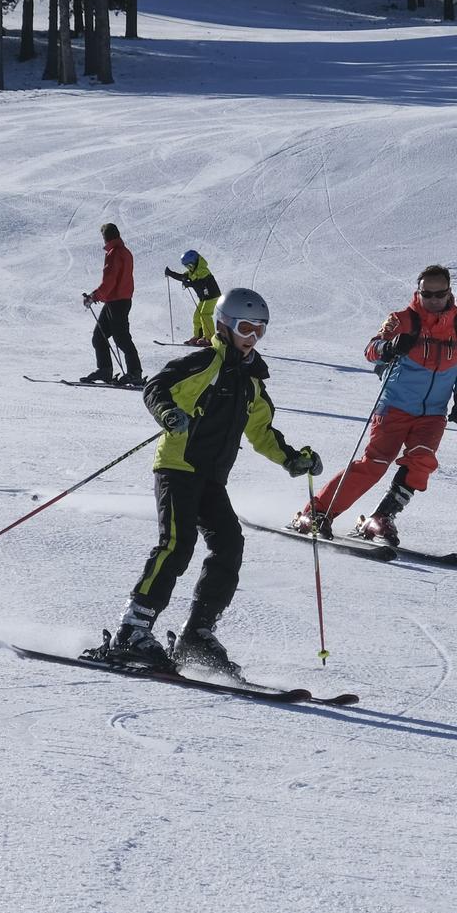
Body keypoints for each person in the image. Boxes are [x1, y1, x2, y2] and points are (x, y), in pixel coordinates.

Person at [89, 287, 325, 674]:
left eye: (260, 330)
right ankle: (133, 628)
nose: (252, 337)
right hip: (177, 466)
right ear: (224, 325)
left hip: (211, 478)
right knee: (177, 544)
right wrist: (167, 413)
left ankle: (196, 633)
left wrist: (292, 459)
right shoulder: (205, 363)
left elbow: (262, 430)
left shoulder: (250, 381)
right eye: (246, 327)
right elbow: (157, 388)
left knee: (229, 545)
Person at [290, 264, 457, 547]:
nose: (434, 300)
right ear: (419, 292)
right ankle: (317, 512)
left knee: (421, 462)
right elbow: (371, 350)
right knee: (375, 465)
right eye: (428, 294)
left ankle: (381, 518)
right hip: (395, 407)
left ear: (450, 292)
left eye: (440, 294)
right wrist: (390, 348)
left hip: (433, 414)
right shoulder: (402, 320)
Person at [81, 223, 144, 386]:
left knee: (121, 338)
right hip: (119, 300)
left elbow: (109, 281)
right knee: (100, 337)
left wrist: (94, 296)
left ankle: (134, 372)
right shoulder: (125, 252)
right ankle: (105, 370)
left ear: (106, 237)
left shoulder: (114, 253)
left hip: (117, 301)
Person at [164, 249, 221, 346]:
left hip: (212, 296)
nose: (188, 268)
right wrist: (170, 273)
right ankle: (198, 336)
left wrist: (189, 283)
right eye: (187, 266)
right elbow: (183, 277)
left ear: (195, 262)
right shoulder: (192, 271)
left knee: (205, 314)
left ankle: (210, 338)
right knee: (197, 316)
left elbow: (200, 283)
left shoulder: (203, 270)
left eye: (189, 265)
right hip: (204, 297)